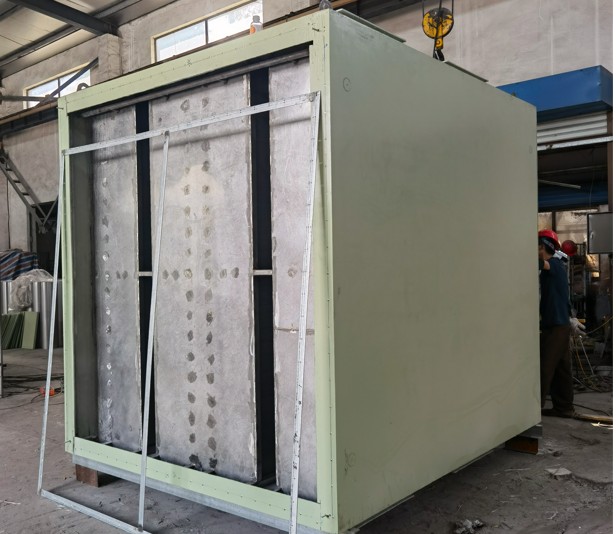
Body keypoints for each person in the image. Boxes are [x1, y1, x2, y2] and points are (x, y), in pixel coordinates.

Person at [538, 229, 575, 418]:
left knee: (544, 367)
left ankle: (530, 412)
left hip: (555, 326)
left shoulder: (553, 264)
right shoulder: (557, 266)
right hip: (560, 324)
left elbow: (539, 263)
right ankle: (564, 407)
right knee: (562, 369)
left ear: (542, 246)